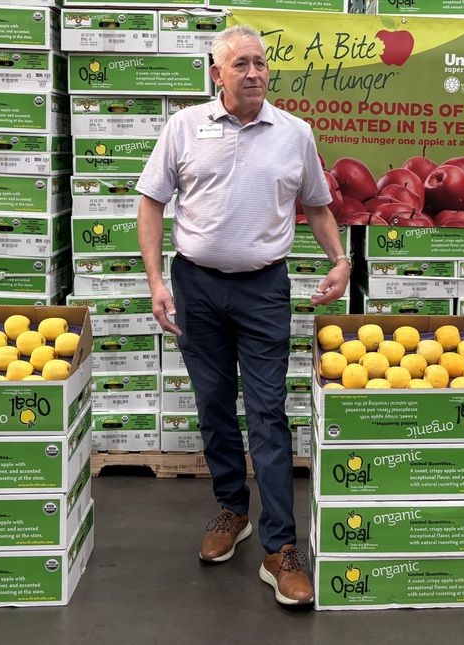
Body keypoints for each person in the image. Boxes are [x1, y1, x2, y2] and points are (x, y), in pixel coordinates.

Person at [136, 25, 350, 605]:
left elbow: (319, 205)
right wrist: (157, 282)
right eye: (240, 65)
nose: (253, 73)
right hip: (196, 288)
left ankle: (281, 547)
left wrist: (340, 259)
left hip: (263, 290)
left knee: (267, 413)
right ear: (217, 73)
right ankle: (232, 509)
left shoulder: (294, 133)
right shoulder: (184, 127)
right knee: (212, 406)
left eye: (260, 63)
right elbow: (151, 204)